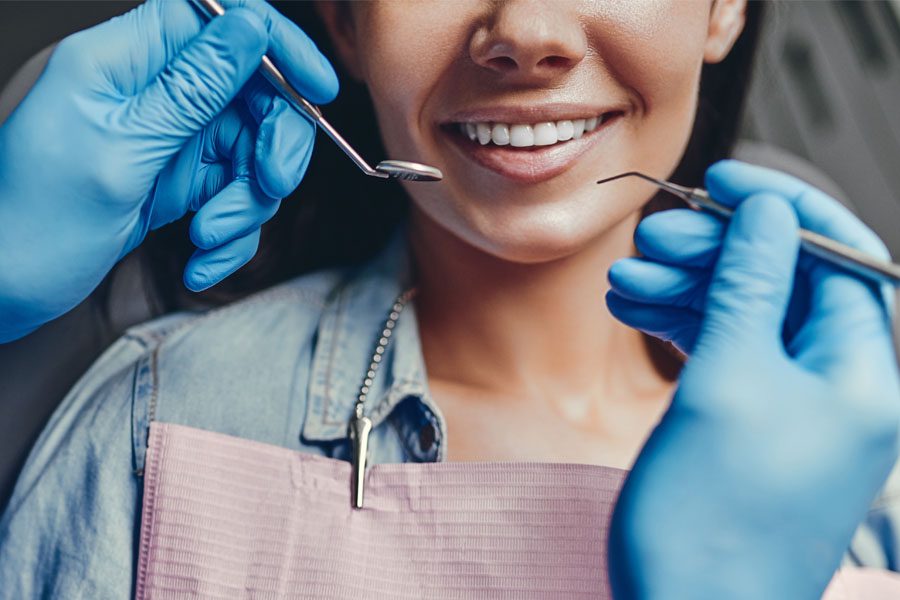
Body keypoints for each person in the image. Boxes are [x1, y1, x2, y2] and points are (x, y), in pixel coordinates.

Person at [0, 0, 897, 598]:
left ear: (724, 6)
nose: (528, 30)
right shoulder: (161, 425)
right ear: (344, 22)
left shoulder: (877, 462)